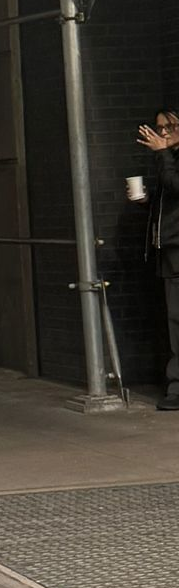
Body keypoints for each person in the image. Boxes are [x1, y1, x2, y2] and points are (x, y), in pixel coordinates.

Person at [136, 109, 179, 411]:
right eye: (160, 127)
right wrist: (147, 201)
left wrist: (163, 156)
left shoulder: (169, 159)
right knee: (174, 320)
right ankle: (176, 386)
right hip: (168, 250)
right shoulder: (168, 160)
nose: (163, 133)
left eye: (170, 127)